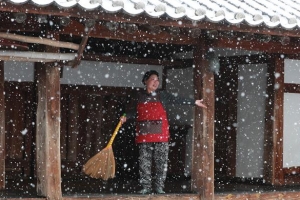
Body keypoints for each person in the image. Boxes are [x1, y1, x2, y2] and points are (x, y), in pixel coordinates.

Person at [120, 70, 206, 194]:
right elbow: (133, 111)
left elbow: (177, 100)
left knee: (161, 163)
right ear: (145, 81)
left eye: (157, 80)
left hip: (160, 135)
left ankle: (159, 187)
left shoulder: (162, 95)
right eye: (153, 79)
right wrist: (126, 116)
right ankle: (146, 187)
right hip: (144, 134)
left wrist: (194, 102)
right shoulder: (138, 96)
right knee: (144, 163)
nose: (156, 82)